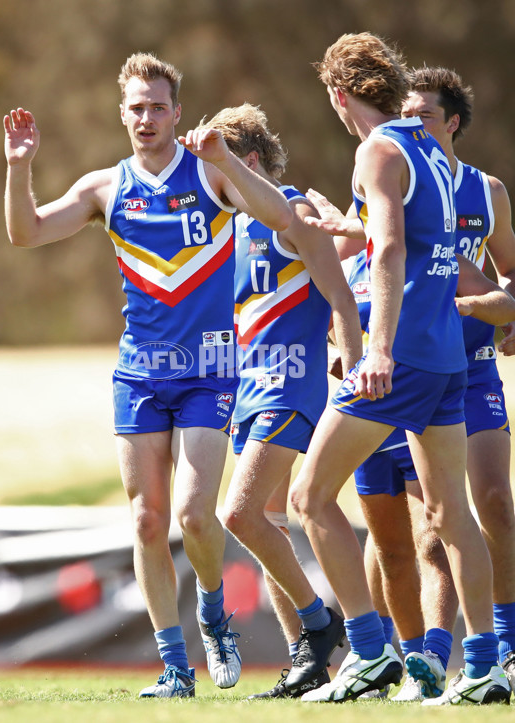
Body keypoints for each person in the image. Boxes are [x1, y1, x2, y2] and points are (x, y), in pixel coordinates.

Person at [3, 52, 292, 699]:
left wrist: (224, 161)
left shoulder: (210, 174)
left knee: (193, 512)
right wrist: (19, 168)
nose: (146, 117)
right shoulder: (106, 187)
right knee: (143, 520)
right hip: (140, 375)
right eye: (136, 106)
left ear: (177, 112)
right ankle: (173, 668)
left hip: (210, 371)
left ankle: (214, 613)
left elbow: (279, 216)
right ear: (122, 113)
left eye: (158, 106)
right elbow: (25, 234)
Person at [289, 32, 509, 705]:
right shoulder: (433, 154)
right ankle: (484, 666)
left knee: (308, 497)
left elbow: (388, 250)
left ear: (339, 94)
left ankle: (368, 651)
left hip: (404, 356)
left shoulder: (378, 148)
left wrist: (377, 347)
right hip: (448, 359)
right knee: (452, 515)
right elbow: (418, 241)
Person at [197, 104, 363, 699]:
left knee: (238, 514)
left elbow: (343, 289)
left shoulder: (293, 212)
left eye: (220, 165)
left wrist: (352, 355)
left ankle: (324, 624)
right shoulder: (229, 226)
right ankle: (307, 663)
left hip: (291, 385)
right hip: (247, 389)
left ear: (251, 163)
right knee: (265, 522)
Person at [340, 247, 515, 703]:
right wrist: (345, 352)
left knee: (441, 526)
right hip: (369, 411)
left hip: (437, 393)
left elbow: (505, 295)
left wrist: (475, 307)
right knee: (388, 550)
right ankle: (398, 661)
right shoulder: (354, 260)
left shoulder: (442, 249)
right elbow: (331, 317)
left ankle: (475, 654)